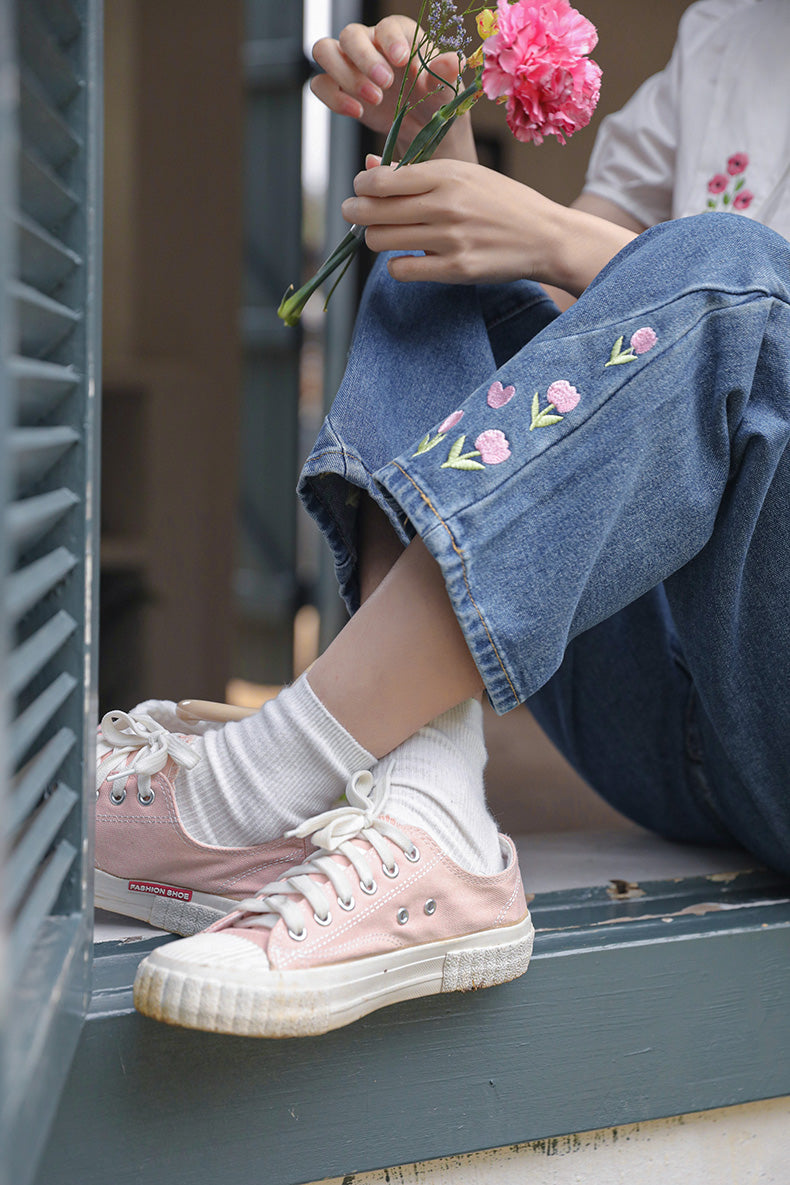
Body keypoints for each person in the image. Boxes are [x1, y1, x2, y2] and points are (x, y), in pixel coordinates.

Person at [99, 0, 790, 1038]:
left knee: (739, 274)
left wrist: (557, 234)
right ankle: (432, 816)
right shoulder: (727, 36)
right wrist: (439, 140)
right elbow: (578, 360)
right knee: (428, 253)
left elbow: (707, 296)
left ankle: (255, 782)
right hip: (661, 725)